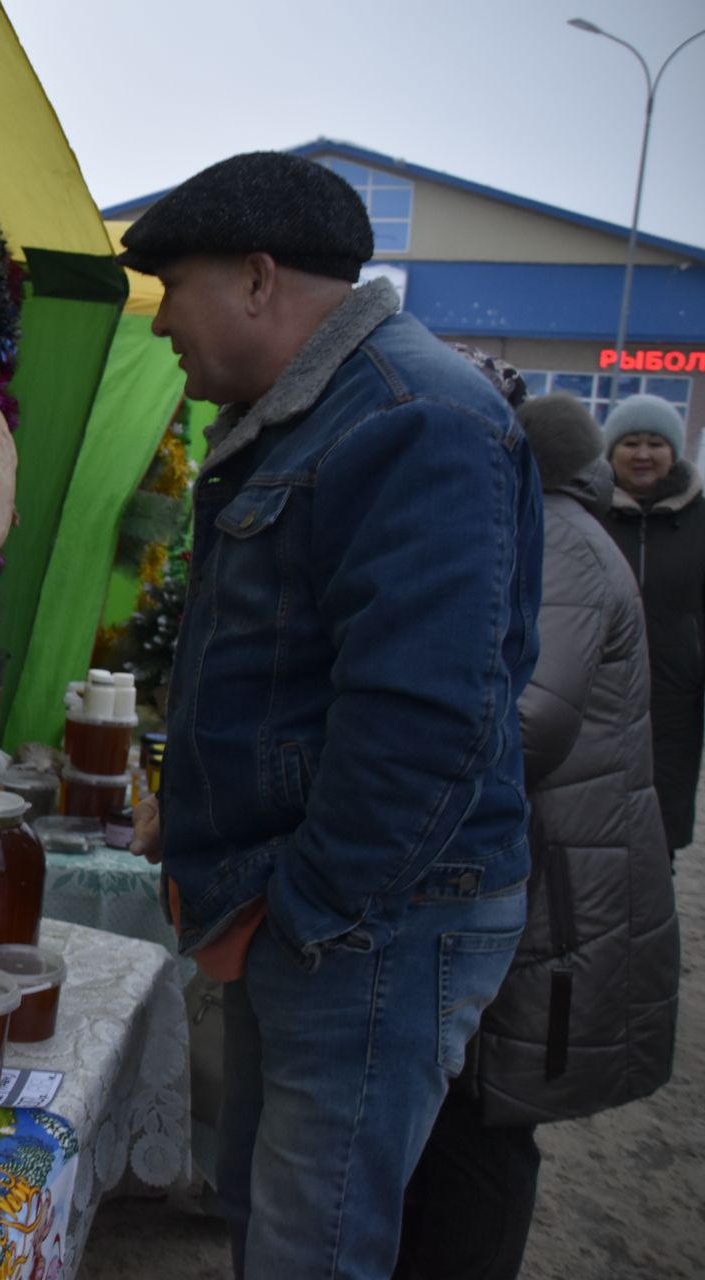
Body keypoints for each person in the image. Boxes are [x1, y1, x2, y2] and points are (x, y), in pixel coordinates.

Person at [119, 152, 542, 1279]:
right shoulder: (314, 414)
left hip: (372, 921)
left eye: (174, 288)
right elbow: (285, 672)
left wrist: (309, 908)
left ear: (260, 280)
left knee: (314, 1247)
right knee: (275, 1219)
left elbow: (426, 719)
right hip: (327, 908)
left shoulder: (413, 420)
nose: (161, 323)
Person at [396, 389, 679, 1280]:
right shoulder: (558, 529)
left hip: (543, 896)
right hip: (547, 880)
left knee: (484, 1127)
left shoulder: (554, 540)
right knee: (469, 1124)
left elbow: (523, 727)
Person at [596, 392, 703, 855]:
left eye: (655, 443)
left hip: (674, 702)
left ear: (674, 453)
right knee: (589, 829)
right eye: (631, 443)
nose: (643, 455)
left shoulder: (700, 520)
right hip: (595, 697)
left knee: (658, 835)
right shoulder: (587, 513)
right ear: (610, 452)